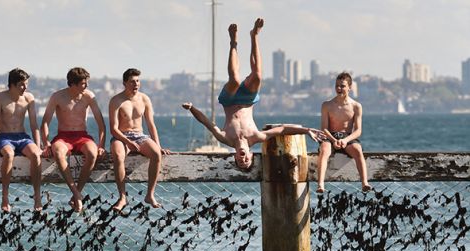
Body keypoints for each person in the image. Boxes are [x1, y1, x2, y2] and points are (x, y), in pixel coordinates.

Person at [183, 18, 324, 168]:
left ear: (235, 156)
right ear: (250, 155)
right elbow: (282, 129)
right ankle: (254, 36)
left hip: (229, 100)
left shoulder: (226, 138)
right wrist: (306, 130)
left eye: (240, 161)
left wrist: (192, 108)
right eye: (247, 161)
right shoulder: (257, 136)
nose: (243, 159)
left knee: (235, 80)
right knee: (257, 76)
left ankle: (233, 43)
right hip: (247, 100)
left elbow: (206, 122)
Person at [41, 67, 106, 212]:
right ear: (73, 84)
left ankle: (77, 192)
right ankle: (75, 193)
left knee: (92, 153)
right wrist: (46, 143)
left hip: (82, 135)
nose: (86, 86)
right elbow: (45, 122)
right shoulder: (57, 97)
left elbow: (101, 124)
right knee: (57, 152)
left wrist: (101, 145)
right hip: (63, 136)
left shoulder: (89, 96)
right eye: (83, 83)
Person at [109, 68, 168, 212]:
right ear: (124, 83)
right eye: (132, 82)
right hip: (121, 136)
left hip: (140, 136)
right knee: (118, 155)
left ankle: (150, 195)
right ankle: (122, 197)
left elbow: (150, 124)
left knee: (156, 154)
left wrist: (158, 145)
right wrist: (128, 142)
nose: (136, 84)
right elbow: (113, 129)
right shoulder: (116, 100)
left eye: (137, 81)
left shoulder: (144, 98)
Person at [0, 68, 43, 212]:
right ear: (12, 85)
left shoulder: (29, 98)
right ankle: (5, 198)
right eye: (21, 84)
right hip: (5, 137)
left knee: (36, 155)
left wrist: (37, 145)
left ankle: (37, 197)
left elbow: (33, 124)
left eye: (26, 84)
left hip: (22, 137)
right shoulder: (0, 97)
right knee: (8, 155)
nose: (25, 87)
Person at [317, 72, 372, 193]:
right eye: (336, 85)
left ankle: (365, 183)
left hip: (347, 137)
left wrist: (345, 140)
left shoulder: (356, 106)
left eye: (342, 86)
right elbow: (324, 128)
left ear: (350, 87)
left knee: (358, 150)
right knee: (324, 150)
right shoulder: (327, 105)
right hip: (330, 136)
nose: (338, 88)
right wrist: (333, 140)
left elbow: (358, 131)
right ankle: (320, 185)